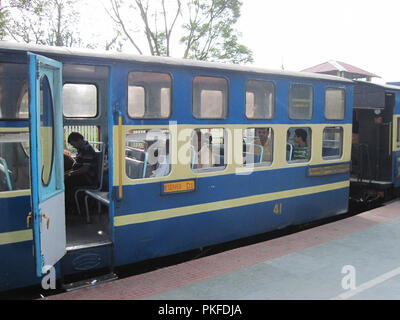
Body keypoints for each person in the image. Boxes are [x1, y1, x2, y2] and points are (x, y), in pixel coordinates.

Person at [64, 132, 98, 212]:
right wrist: (67, 173)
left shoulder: (87, 150)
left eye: (73, 144)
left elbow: (85, 169)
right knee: (65, 178)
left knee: (65, 183)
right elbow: (77, 166)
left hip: (87, 178)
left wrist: (69, 174)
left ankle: (68, 207)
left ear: (79, 140)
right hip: (82, 175)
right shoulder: (81, 149)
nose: (73, 146)